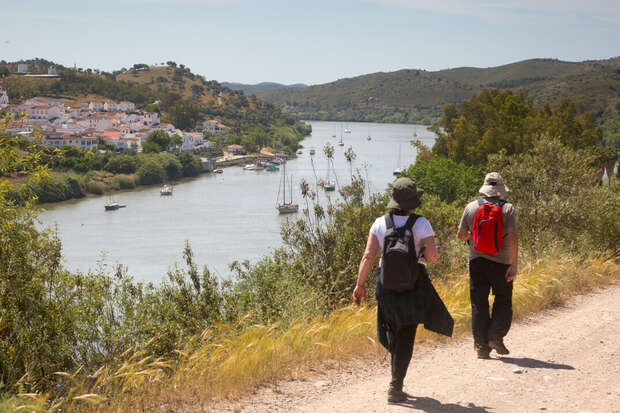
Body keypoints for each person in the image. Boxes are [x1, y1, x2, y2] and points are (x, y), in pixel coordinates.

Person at [353, 177, 451, 403]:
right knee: (406, 333)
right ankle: (395, 386)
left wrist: (359, 285)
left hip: (384, 283)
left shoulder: (379, 223)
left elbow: (368, 256)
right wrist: (431, 249)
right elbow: (432, 258)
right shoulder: (422, 224)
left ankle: (394, 370)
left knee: (390, 327)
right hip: (412, 283)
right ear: (413, 202)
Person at [457, 172, 518, 359]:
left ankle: (481, 347)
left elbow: (460, 235)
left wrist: (474, 238)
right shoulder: (507, 209)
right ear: (500, 190)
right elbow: (513, 236)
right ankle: (495, 335)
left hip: (477, 263)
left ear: (484, 188)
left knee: (479, 304)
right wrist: (514, 264)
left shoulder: (471, 207)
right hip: (501, 263)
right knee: (503, 300)